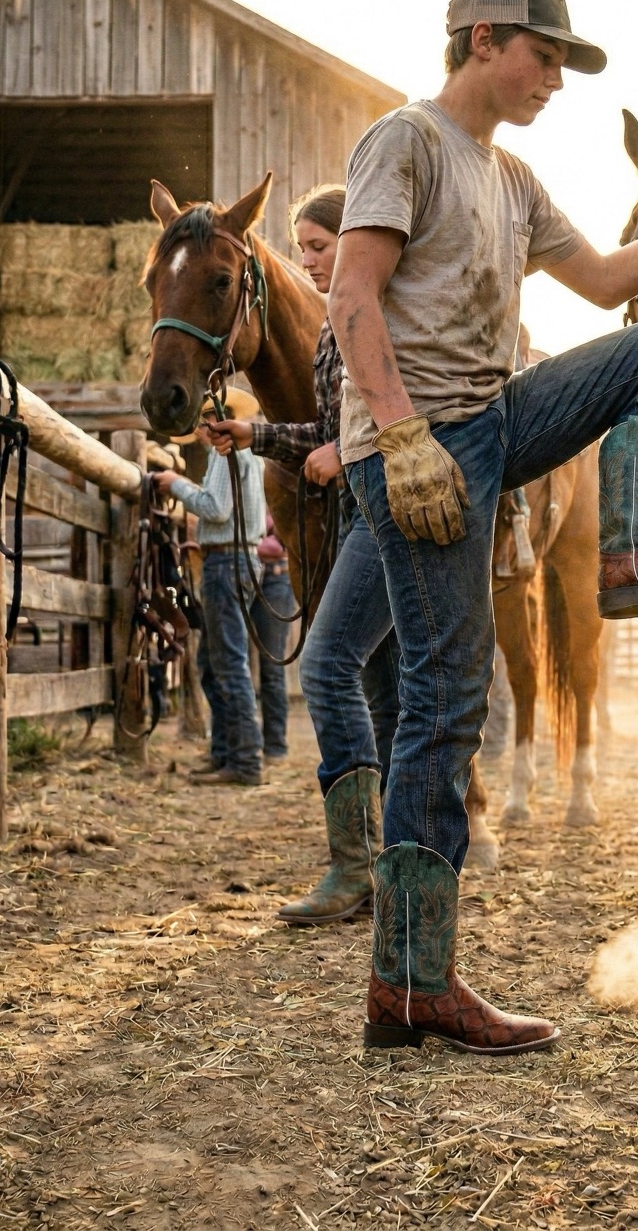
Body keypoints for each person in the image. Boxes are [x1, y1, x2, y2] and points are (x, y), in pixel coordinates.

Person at [329, 0, 638, 1055]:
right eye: (547, 59)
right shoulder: (406, 142)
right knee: (443, 697)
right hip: (418, 444)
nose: (557, 82)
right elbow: (349, 296)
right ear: (484, 40)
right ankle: (409, 981)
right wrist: (396, 433)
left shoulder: (512, 175)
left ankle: (625, 557)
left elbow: (608, 273)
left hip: (493, 420)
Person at [206, 184, 400, 926]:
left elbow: (387, 417)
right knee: (380, 683)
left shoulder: (372, 312)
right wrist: (259, 438)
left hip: (381, 510)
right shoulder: (328, 329)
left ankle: (358, 866)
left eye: (320, 245)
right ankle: (385, 862)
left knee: (326, 666)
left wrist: (339, 454)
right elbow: (328, 425)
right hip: (363, 506)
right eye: (304, 247)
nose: (309, 261)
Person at [155, 386, 267, 787]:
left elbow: (217, 509)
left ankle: (243, 760)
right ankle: (226, 752)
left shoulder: (227, 455)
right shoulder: (243, 456)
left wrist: (177, 486)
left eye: (202, 423)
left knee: (227, 662)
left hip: (226, 561)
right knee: (214, 661)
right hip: (235, 558)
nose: (201, 431)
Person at [250, 511, 296, 760]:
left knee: (272, 664)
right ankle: (247, 741)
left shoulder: (280, 476)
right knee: (236, 662)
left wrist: (253, 537)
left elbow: (284, 535)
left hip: (276, 575)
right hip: (250, 570)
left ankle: (275, 744)